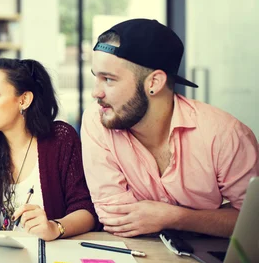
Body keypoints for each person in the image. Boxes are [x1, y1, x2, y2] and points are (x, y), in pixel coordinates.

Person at [82, 18, 259, 238]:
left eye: (108, 79)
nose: (95, 92)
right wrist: (209, 219)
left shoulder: (226, 135)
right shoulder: (97, 119)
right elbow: (116, 218)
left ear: (154, 83)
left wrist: (175, 217)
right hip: (138, 255)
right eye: (96, 78)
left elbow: (253, 223)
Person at [0, 58, 99, 254]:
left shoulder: (61, 139)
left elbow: (85, 209)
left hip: (49, 257)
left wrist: (55, 227)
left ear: (24, 100)